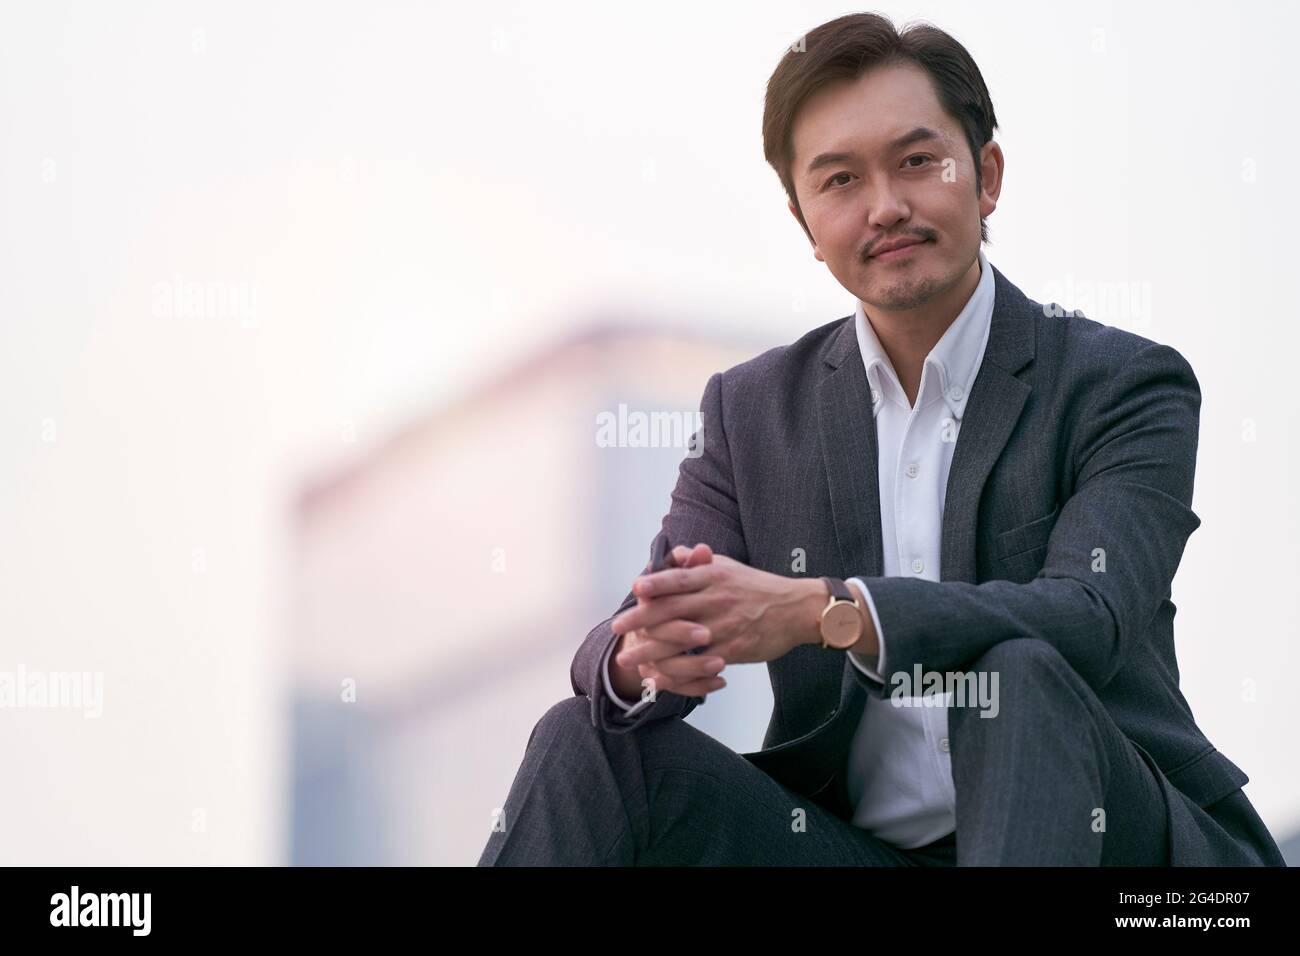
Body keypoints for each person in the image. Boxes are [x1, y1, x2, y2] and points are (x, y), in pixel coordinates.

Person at [477, 12, 1286, 867]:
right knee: (586, 742)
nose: (886, 207)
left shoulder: (1121, 384)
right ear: (804, 222)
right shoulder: (750, 412)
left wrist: (829, 612)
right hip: (854, 850)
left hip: (1132, 854)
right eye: (840, 181)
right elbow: (633, 629)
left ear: (987, 175)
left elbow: (1089, 618)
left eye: (917, 162)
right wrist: (646, 656)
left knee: (1015, 673)